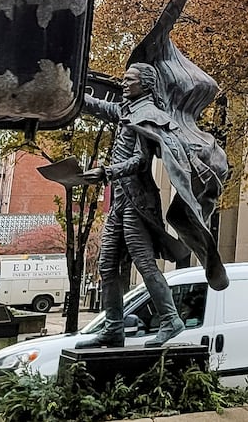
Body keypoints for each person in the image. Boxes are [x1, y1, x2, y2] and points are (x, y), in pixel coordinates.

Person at [75, 63, 193, 347]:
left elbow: (141, 161)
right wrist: (72, 92)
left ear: (146, 85)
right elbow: (99, 106)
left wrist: (107, 172)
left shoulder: (148, 115)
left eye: (130, 80)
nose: (124, 84)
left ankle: (170, 319)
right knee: (106, 266)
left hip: (137, 202)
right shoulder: (128, 110)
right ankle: (114, 326)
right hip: (120, 200)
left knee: (144, 263)